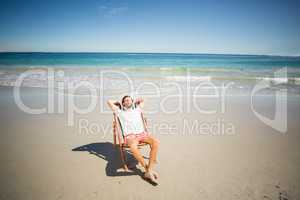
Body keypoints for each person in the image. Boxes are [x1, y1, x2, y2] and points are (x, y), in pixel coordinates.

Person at [107, 95, 159, 183]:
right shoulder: (119, 111)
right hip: (130, 136)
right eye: (125, 100)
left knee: (156, 142)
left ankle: (148, 171)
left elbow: (144, 99)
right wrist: (117, 102)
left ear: (132, 102)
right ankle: (147, 169)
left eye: (129, 100)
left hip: (142, 134)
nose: (128, 101)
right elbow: (109, 101)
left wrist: (138, 100)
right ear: (123, 103)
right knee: (133, 147)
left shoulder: (137, 109)